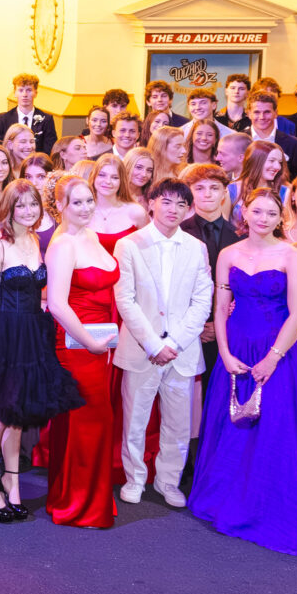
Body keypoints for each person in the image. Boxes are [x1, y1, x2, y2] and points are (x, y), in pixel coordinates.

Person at [192, 188, 297, 555]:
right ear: (245, 211)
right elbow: (221, 308)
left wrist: (273, 357)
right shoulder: (228, 254)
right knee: (233, 426)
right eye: (258, 211)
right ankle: (228, 497)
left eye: (272, 213)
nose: (264, 218)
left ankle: (268, 507)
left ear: (280, 217)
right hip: (236, 347)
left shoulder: (291, 255)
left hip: (278, 350)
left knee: (275, 430)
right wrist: (223, 352)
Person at [0, 178, 81, 518]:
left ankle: (13, 483)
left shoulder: (36, 239)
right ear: (8, 209)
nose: (27, 210)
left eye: (33, 204)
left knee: (18, 416)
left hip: (33, 332)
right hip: (4, 333)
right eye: (20, 205)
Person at [111, 177, 212, 509]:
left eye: (181, 204)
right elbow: (125, 300)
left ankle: (168, 480)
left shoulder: (196, 247)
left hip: (182, 352)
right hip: (143, 349)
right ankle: (135, 478)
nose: (173, 209)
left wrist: (178, 342)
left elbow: (202, 301)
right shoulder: (129, 244)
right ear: (151, 202)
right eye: (166, 202)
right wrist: (154, 344)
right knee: (135, 419)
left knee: (178, 424)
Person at [39, 175, 123, 526]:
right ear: (59, 206)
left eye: (89, 200)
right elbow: (57, 303)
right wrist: (90, 343)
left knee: (91, 423)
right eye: (77, 202)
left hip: (101, 344)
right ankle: (78, 504)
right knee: (87, 423)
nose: (86, 207)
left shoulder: (88, 235)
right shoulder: (62, 245)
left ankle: (85, 495)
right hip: (77, 345)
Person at [0, 72, 57, 153]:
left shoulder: (46, 119)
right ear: (15, 93)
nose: (25, 94)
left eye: (29, 90)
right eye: (21, 90)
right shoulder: (3, 118)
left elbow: (49, 150)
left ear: (35, 93)